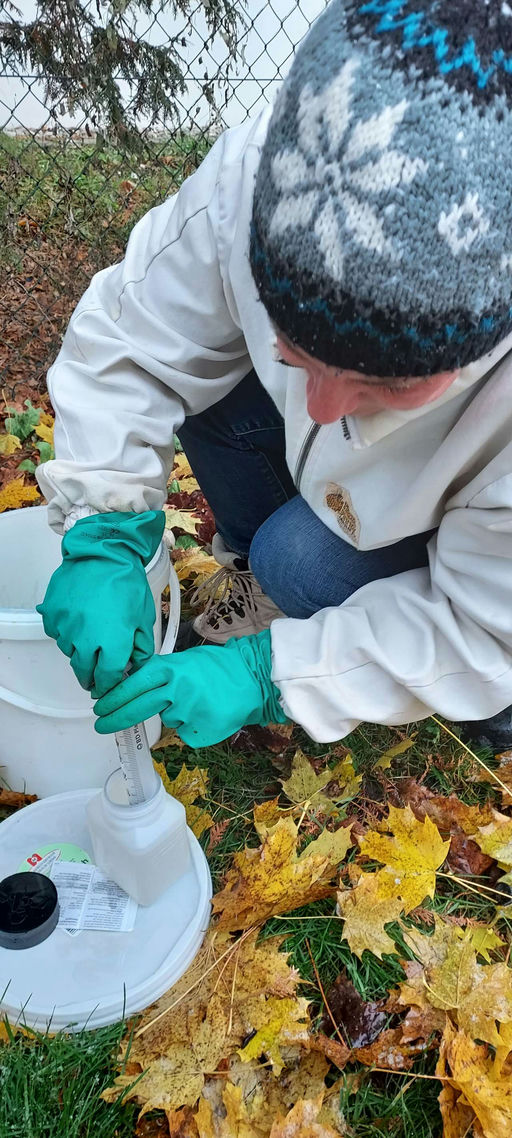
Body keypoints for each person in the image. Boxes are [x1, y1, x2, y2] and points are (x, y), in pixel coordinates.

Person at [36, 0, 512, 752]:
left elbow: (487, 626)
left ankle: (480, 704)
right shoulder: (267, 179)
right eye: (292, 348)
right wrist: (103, 525)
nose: (319, 409)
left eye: (386, 383)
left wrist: (279, 676)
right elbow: (132, 342)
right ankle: (282, 577)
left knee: (302, 560)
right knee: (236, 437)